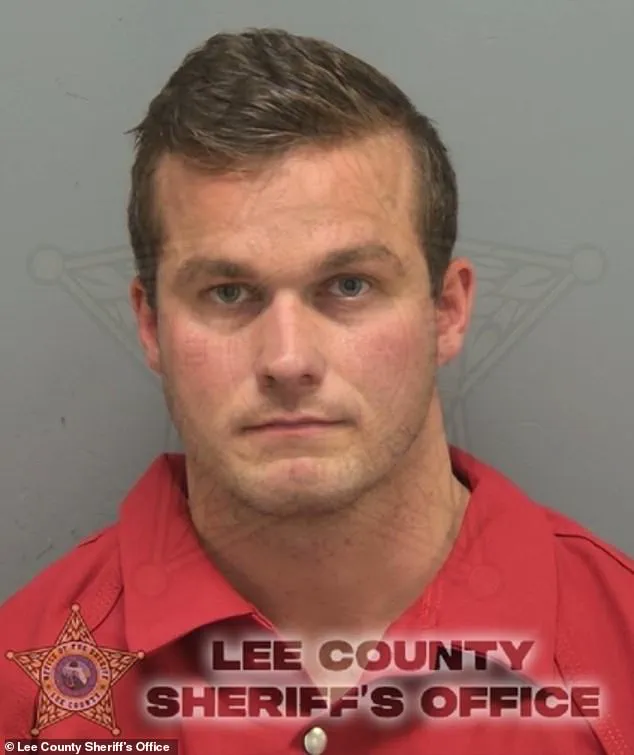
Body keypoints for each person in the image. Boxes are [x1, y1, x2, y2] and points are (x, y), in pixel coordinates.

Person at [1, 27, 632, 755]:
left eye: (349, 285)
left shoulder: (620, 649)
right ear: (151, 326)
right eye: (228, 291)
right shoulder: (24, 691)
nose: (288, 359)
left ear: (447, 310)